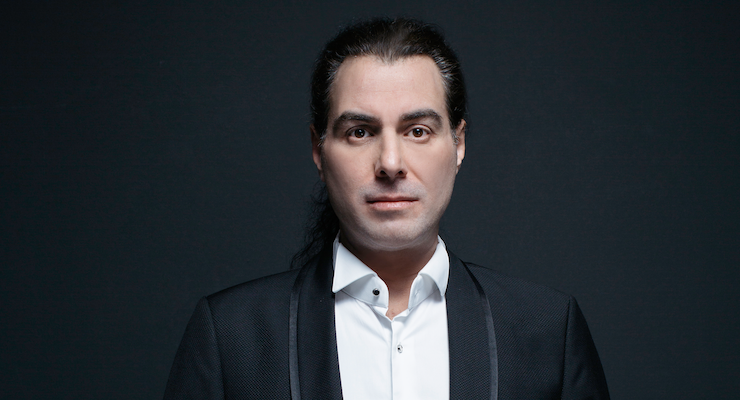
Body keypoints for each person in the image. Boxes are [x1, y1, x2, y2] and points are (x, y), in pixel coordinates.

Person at [163, 17, 609, 399]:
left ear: (458, 144)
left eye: (417, 130)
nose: (391, 163)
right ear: (319, 150)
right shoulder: (231, 336)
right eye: (360, 132)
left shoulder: (547, 331)